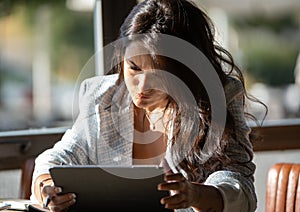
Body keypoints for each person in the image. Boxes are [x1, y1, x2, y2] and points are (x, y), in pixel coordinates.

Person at [31, 0, 267, 211]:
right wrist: (47, 186)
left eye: (159, 73)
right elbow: (62, 155)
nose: (142, 87)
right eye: (134, 67)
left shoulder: (220, 95)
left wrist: (196, 195)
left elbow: (242, 189)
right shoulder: (101, 97)